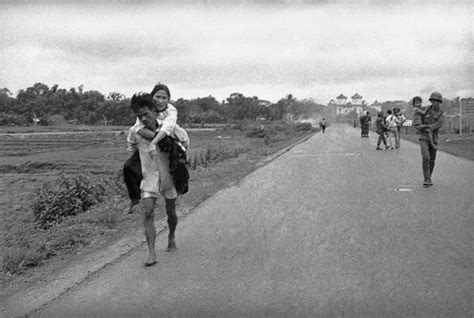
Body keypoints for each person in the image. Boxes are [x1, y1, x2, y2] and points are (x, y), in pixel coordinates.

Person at [127, 93, 179, 266]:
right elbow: (131, 147)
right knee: (148, 212)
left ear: (153, 111)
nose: (143, 118)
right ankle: (151, 253)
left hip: (168, 177)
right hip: (149, 178)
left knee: (171, 211)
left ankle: (171, 236)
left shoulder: (169, 127)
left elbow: (184, 141)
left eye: (146, 114)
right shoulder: (135, 131)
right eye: (139, 115)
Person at [122, 84, 189, 214]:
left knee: (178, 167)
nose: (161, 100)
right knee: (129, 167)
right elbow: (134, 132)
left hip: (169, 144)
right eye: (157, 97)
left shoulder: (171, 112)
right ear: (152, 99)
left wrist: (156, 139)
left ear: (169, 100)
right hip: (148, 146)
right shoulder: (142, 115)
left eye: (164, 97)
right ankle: (134, 199)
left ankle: (180, 197)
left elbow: (176, 132)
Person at [413, 92, 445, 187]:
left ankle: (429, 177)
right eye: (433, 101)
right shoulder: (424, 110)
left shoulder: (441, 114)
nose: (435, 103)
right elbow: (417, 124)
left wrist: (427, 126)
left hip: (434, 138)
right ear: (431, 101)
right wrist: (422, 127)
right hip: (424, 137)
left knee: (432, 159)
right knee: (426, 157)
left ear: (440, 102)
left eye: (437, 101)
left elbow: (438, 124)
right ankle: (426, 178)